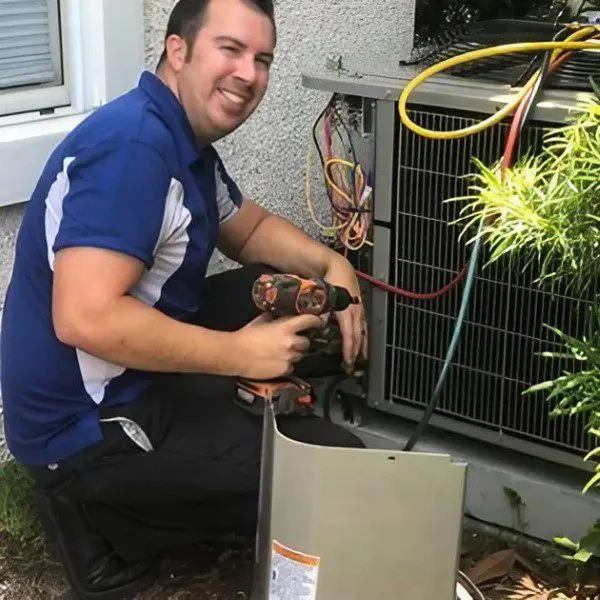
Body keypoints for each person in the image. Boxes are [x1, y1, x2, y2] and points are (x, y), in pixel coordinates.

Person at [0, 0, 368, 598]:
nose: (249, 73)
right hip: (81, 426)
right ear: (178, 51)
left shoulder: (181, 137)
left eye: (262, 58)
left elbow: (246, 230)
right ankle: (93, 516)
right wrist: (240, 355)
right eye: (230, 49)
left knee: (306, 307)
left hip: (123, 375)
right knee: (332, 471)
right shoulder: (133, 150)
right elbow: (84, 316)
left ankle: (203, 448)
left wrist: (335, 265)